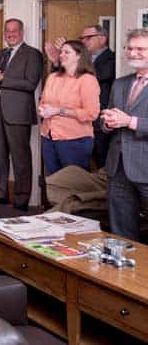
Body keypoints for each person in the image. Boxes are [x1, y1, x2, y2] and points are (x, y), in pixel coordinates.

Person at [0, 18, 42, 210]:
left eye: (14, 31)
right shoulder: (0, 54)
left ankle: (22, 199)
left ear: (21, 32)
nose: (10, 34)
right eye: (7, 31)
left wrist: (2, 78)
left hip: (18, 111)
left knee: (20, 157)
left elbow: (30, 83)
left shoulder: (32, 55)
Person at [45, 25, 115, 168]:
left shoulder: (111, 59)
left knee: (100, 166)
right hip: (59, 130)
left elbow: (91, 76)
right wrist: (59, 62)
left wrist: (71, 58)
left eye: (88, 38)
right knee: (60, 177)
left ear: (102, 39)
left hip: (97, 123)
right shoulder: (55, 77)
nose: (83, 41)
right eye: (81, 38)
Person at [102, 28, 148, 240]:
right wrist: (109, 123)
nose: (133, 53)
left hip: (145, 167)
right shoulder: (120, 83)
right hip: (118, 167)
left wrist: (129, 121)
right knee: (121, 231)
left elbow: (128, 121)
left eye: (140, 49)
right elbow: (107, 123)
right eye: (130, 48)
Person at [38, 40, 100, 176]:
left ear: (79, 56)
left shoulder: (87, 80)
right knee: (54, 183)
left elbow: (92, 113)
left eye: (67, 52)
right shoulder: (53, 77)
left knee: (74, 184)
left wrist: (59, 111)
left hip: (75, 141)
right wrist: (42, 109)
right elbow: (43, 101)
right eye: (61, 52)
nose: (61, 55)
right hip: (48, 137)